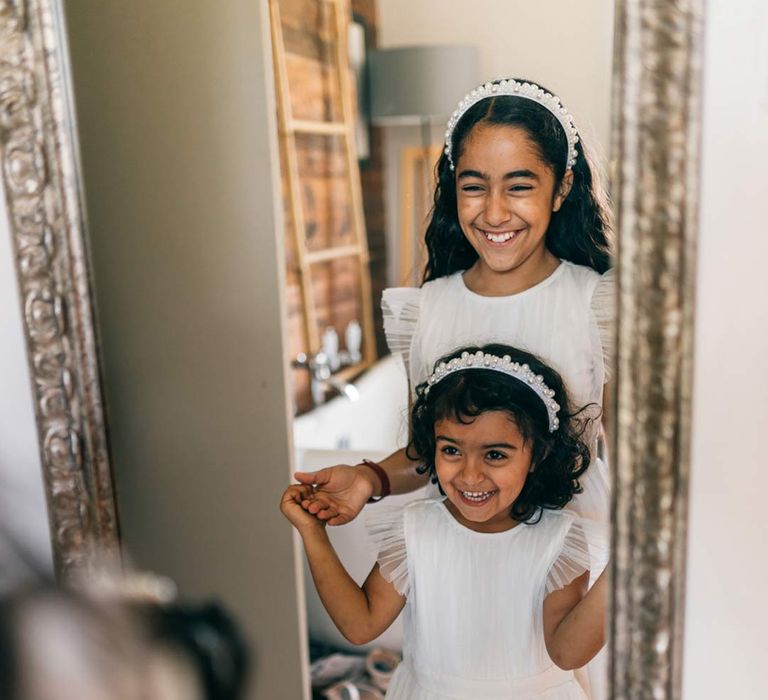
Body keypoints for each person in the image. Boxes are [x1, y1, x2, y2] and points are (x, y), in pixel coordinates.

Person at [294, 76, 613, 534]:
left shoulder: (598, 305)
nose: (495, 213)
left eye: (519, 186)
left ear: (560, 189)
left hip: (575, 556)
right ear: (453, 187)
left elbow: (641, 464)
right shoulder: (427, 309)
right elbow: (427, 454)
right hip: (454, 559)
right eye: (474, 186)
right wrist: (369, 477)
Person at [282, 345, 607, 699]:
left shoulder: (558, 539)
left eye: (495, 454)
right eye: (451, 450)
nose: (470, 475)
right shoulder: (416, 529)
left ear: (537, 455)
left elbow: (568, 653)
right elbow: (361, 626)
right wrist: (313, 534)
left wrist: (628, 563)